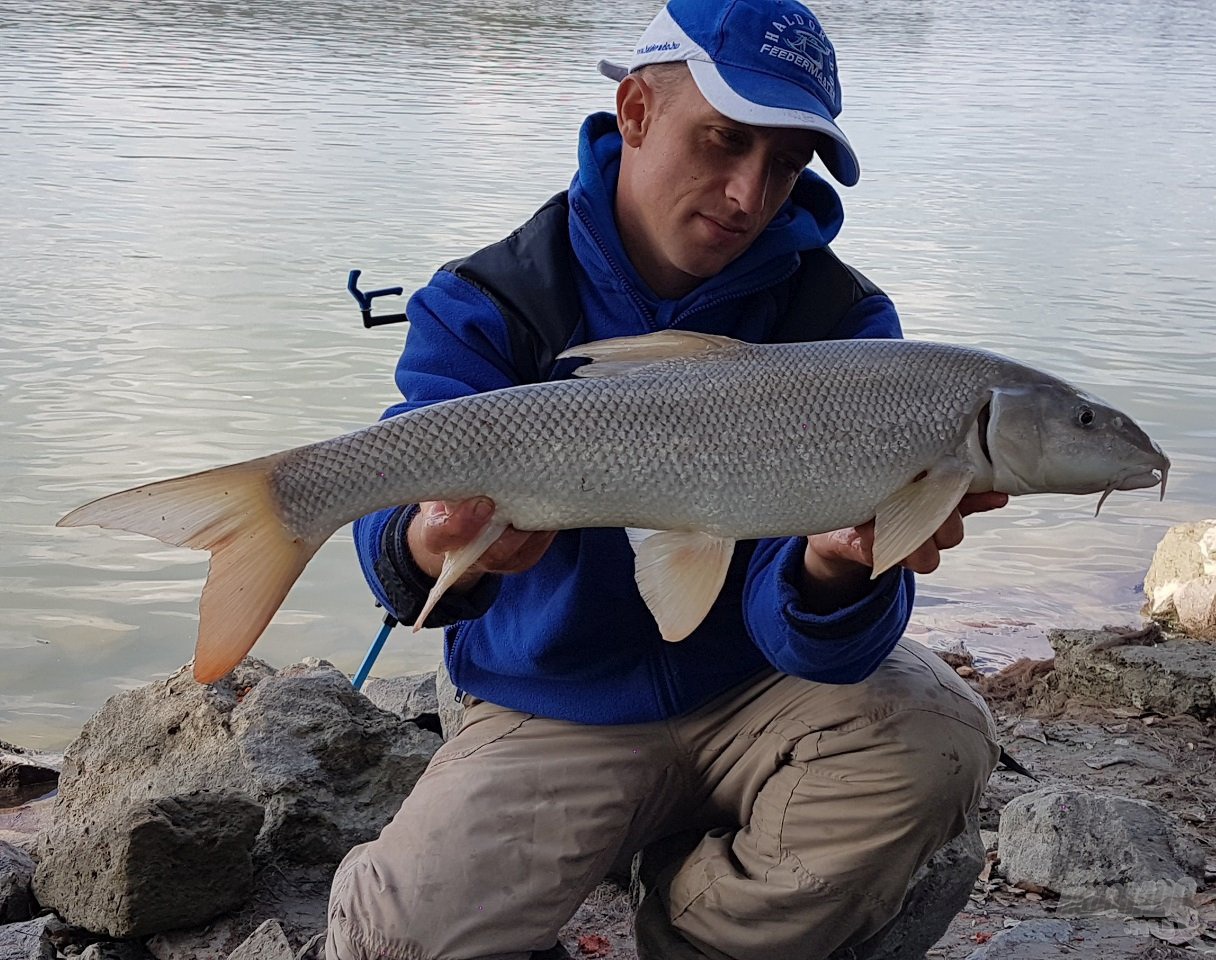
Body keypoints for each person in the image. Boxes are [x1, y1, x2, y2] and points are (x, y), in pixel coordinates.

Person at [326, 0, 1005, 957]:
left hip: (755, 688)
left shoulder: (843, 325)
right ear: (637, 111)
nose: (747, 194)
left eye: (783, 164)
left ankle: (696, 927)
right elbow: (405, 543)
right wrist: (433, 544)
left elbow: (821, 648)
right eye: (724, 141)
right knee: (399, 942)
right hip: (551, 698)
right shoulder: (494, 299)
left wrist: (838, 569)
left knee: (941, 738)